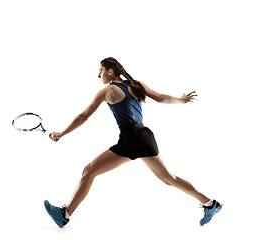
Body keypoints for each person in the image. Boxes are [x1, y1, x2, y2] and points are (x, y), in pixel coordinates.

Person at [44, 57, 222, 228]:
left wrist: (62, 133)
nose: (99, 75)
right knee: (169, 178)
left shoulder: (107, 91)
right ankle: (210, 204)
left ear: (110, 71)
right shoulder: (135, 84)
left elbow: (83, 116)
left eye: (100, 71)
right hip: (145, 136)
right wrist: (181, 100)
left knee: (89, 171)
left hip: (131, 139)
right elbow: (160, 98)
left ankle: (64, 214)